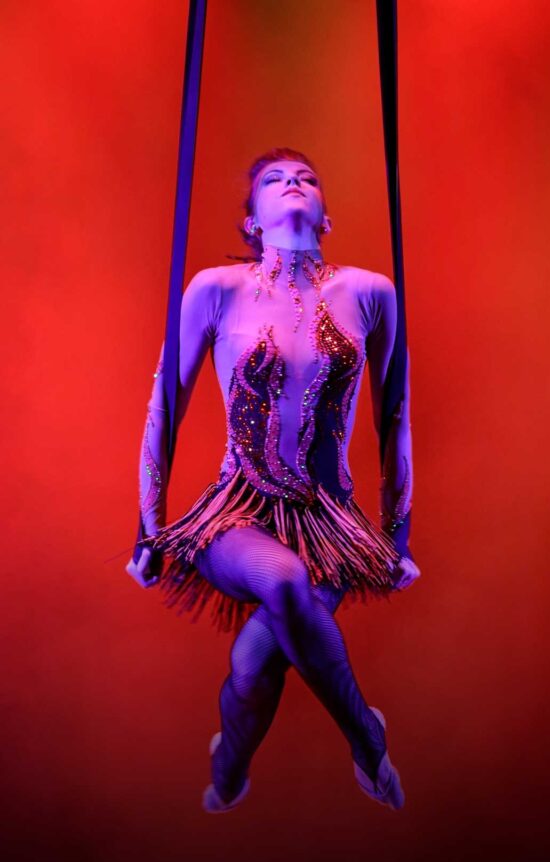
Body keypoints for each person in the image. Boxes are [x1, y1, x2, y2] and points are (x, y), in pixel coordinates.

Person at [125, 147, 421, 814]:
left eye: (307, 178)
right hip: (236, 512)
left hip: (331, 524)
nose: (293, 182)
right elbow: (163, 409)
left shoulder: (371, 292)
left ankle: (228, 769)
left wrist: (397, 534)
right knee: (283, 580)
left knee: (255, 666)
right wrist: (148, 525)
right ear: (252, 221)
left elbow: (394, 415)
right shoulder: (216, 290)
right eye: (274, 179)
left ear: (326, 216)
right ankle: (368, 739)